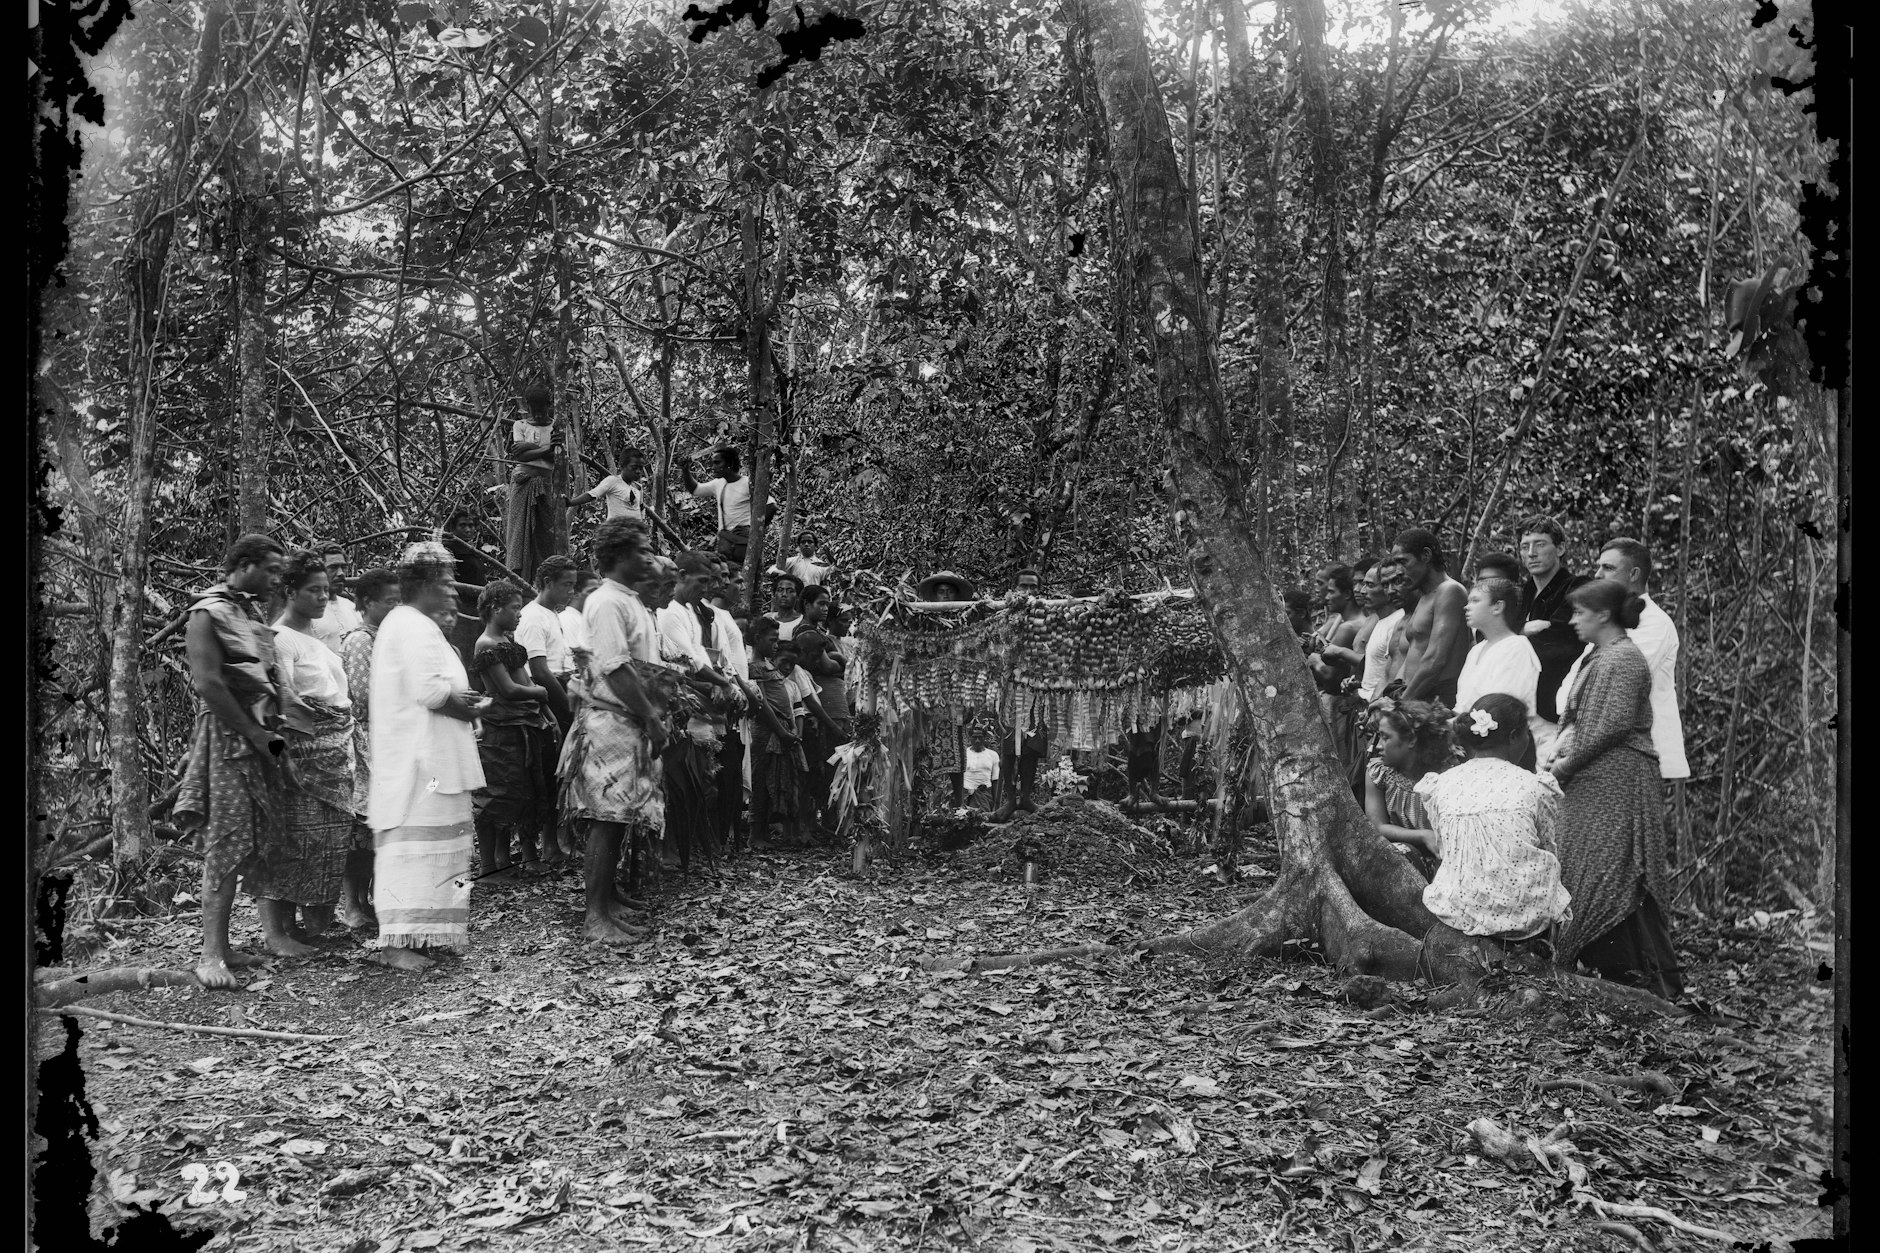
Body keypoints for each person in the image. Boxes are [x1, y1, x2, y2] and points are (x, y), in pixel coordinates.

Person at [1547, 579, 1683, 999]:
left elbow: (1611, 725)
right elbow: (1582, 722)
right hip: (1595, 778)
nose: (1572, 622)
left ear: (1603, 615)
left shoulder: (1624, 659)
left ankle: (1643, 977)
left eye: (1579, 613)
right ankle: (1605, 968)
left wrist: (1565, 763)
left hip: (1618, 780)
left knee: (1618, 868)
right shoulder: (1601, 655)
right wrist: (1560, 756)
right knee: (1588, 865)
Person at [173, 535, 290, 990]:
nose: (277, 578)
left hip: (258, 737)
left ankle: (222, 947)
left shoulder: (247, 611)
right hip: (227, 738)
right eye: (270, 569)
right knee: (226, 838)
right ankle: (208, 955)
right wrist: (256, 734)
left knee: (250, 839)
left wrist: (272, 732)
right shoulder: (207, 612)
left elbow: (264, 677)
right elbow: (209, 683)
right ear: (244, 566)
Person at [368, 541, 488, 972]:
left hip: (435, 756)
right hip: (421, 762)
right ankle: (396, 943)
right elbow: (433, 692)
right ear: (422, 585)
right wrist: (469, 706)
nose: (454, 592)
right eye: (446, 583)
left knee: (441, 846)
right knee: (413, 850)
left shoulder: (415, 623)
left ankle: (425, 934)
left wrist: (464, 703)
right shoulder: (412, 625)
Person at [558, 518, 668, 948]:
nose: (649, 557)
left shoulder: (631, 600)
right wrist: (652, 718)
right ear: (620, 556)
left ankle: (609, 898)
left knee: (621, 816)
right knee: (605, 819)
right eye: (641, 550)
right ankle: (595, 917)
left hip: (631, 721)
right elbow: (614, 668)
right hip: (612, 722)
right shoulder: (606, 602)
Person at [255, 551, 358, 950]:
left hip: (334, 751)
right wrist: (283, 758)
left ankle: (307, 925)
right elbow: (278, 705)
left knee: (324, 840)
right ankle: (277, 933)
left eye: (326, 591)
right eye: (313, 590)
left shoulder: (315, 639)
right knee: (291, 837)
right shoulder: (279, 640)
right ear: (290, 592)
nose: (321, 597)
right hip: (303, 753)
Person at [1408, 695, 1570, 940]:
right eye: (1527, 733)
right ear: (1515, 736)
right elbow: (1548, 847)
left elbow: (1446, 847)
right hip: (1525, 913)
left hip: (1459, 909)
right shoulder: (1534, 785)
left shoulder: (1442, 784)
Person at [1549, 538, 1688, 782]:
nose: (1598, 574)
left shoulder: (1655, 623)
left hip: (1636, 757)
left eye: (1609, 568)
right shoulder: (1607, 624)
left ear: (1634, 573)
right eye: (1599, 566)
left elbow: (1613, 693)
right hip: (1593, 753)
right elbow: (1568, 694)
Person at [657, 551, 740, 869]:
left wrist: (723, 683)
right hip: (680, 705)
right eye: (704, 581)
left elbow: (699, 660)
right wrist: (718, 684)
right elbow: (682, 663)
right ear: (680, 577)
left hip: (697, 702)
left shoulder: (692, 613)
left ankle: (689, 849)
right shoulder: (670, 612)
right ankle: (672, 850)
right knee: (677, 784)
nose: (710, 587)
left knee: (699, 785)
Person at [470, 580, 553, 881]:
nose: (520, 613)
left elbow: (525, 682)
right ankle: (490, 866)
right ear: (495, 609)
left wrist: (545, 709)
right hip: (500, 727)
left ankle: (527, 857)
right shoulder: (486, 644)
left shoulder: (508, 640)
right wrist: (540, 694)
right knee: (498, 794)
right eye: (515, 607)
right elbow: (507, 689)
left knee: (527, 789)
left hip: (524, 723)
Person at [337, 567, 399, 929]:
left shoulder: (387, 637)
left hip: (387, 738)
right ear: (366, 603)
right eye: (388, 601)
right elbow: (364, 695)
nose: (394, 607)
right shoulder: (361, 640)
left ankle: (371, 899)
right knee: (361, 830)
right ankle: (353, 904)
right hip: (367, 740)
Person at [1455, 572, 1552, 764]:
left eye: (1475, 601)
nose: (1467, 607)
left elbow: (1502, 709)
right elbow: (1463, 705)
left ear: (1498, 606)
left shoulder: (1517, 647)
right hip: (1471, 743)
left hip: (1505, 747)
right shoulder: (1476, 650)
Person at [1364, 699, 1453, 881]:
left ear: (1411, 739)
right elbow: (1377, 826)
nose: (1378, 745)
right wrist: (1423, 836)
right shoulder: (1380, 773)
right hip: (1401, 863)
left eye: (1385, 737)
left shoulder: (1447, 776)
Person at [1518, 515, 1592, 725]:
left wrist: (1509, 636)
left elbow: (1557, 643)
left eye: (1540, 544)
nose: (1531, 553)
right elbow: (1483, 634)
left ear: (1560, 549)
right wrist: (1523, 630)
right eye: (1525, 546)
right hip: (1520, 708)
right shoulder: (1519, 594)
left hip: (1554, 709)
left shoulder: (1577, 587)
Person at [792, 584, 852, 828]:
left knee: (835, 764)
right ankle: (825, 822)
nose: (826, 608)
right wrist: (840, 660)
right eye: (821, 603)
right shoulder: (807, 633)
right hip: (824, 706)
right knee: (826, 765)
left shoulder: (818, 633)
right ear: (806, 605)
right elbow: (828, 667)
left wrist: (836, 660)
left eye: (828, 603)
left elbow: (832, 663)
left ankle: (831, 820)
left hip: (835, 704)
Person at [745, 616, 807, 848]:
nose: (775, 644)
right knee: (760, 780)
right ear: (758, 639)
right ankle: (755, 834)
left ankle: (764, 832)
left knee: (773, 779)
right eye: (772, 640)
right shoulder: (755, 667)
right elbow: (762, 704)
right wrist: (781, 731)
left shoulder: (769, 665)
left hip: (780, 730)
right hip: (765, 732)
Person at [1393, 528, 1469, 705]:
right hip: (1414, 696)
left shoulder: (1450, 590)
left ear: (1426, 555)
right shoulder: (1425, 596)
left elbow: (1435, 659)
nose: (1398, 571)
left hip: (1437, 699)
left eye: (1403, 562)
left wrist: (1400, 706)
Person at [680, 446, 775, 566]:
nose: (713, 467)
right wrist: (685, 470)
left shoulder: (747, 483)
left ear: (729, 463)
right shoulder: (718, 484)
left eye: (717, 463)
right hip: (725, 541)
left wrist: (754, 529)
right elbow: (696, 490)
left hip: (742, 540)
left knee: (740, 573)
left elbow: (771, 506)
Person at [506, 385, 560, 583]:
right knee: (518, 534)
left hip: (546, 484)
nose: (537, 415)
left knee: (544, 535)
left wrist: (531, 448)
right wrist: (547, 448)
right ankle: (517, 579)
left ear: (549, 406)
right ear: (527, 406)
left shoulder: (557, 426)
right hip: (523, 482)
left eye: (541, 410)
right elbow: (520, 455)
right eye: (533, 410)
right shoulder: (520, 425)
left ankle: (542, 579)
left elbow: (557, 458)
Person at [1357, 559, 1404, 701]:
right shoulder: (1380, 621)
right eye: (1363, 584)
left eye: (1370, 585)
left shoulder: (1397, 622)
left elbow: (1392, 675)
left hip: (1378, 705)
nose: (1362, 591)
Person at [306, 545, 363, 654]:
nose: (341, 573)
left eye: (343, 567)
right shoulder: (307, 611)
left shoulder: (351, 607)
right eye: (333, 567)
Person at [568, 446, 648, 522]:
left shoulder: (638, 487)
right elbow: (591, 495)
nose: (638, 471)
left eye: (640, 468)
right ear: (622, 466)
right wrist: (571, 503)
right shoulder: (613, 481)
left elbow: (640, 508)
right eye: (634, 468)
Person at [770, 571, 806, 641]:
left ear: (798, 596)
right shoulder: (767, 618)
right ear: (775, 594)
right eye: (780, 590)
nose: (784, 594)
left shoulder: (802, 622)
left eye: (790, 591)